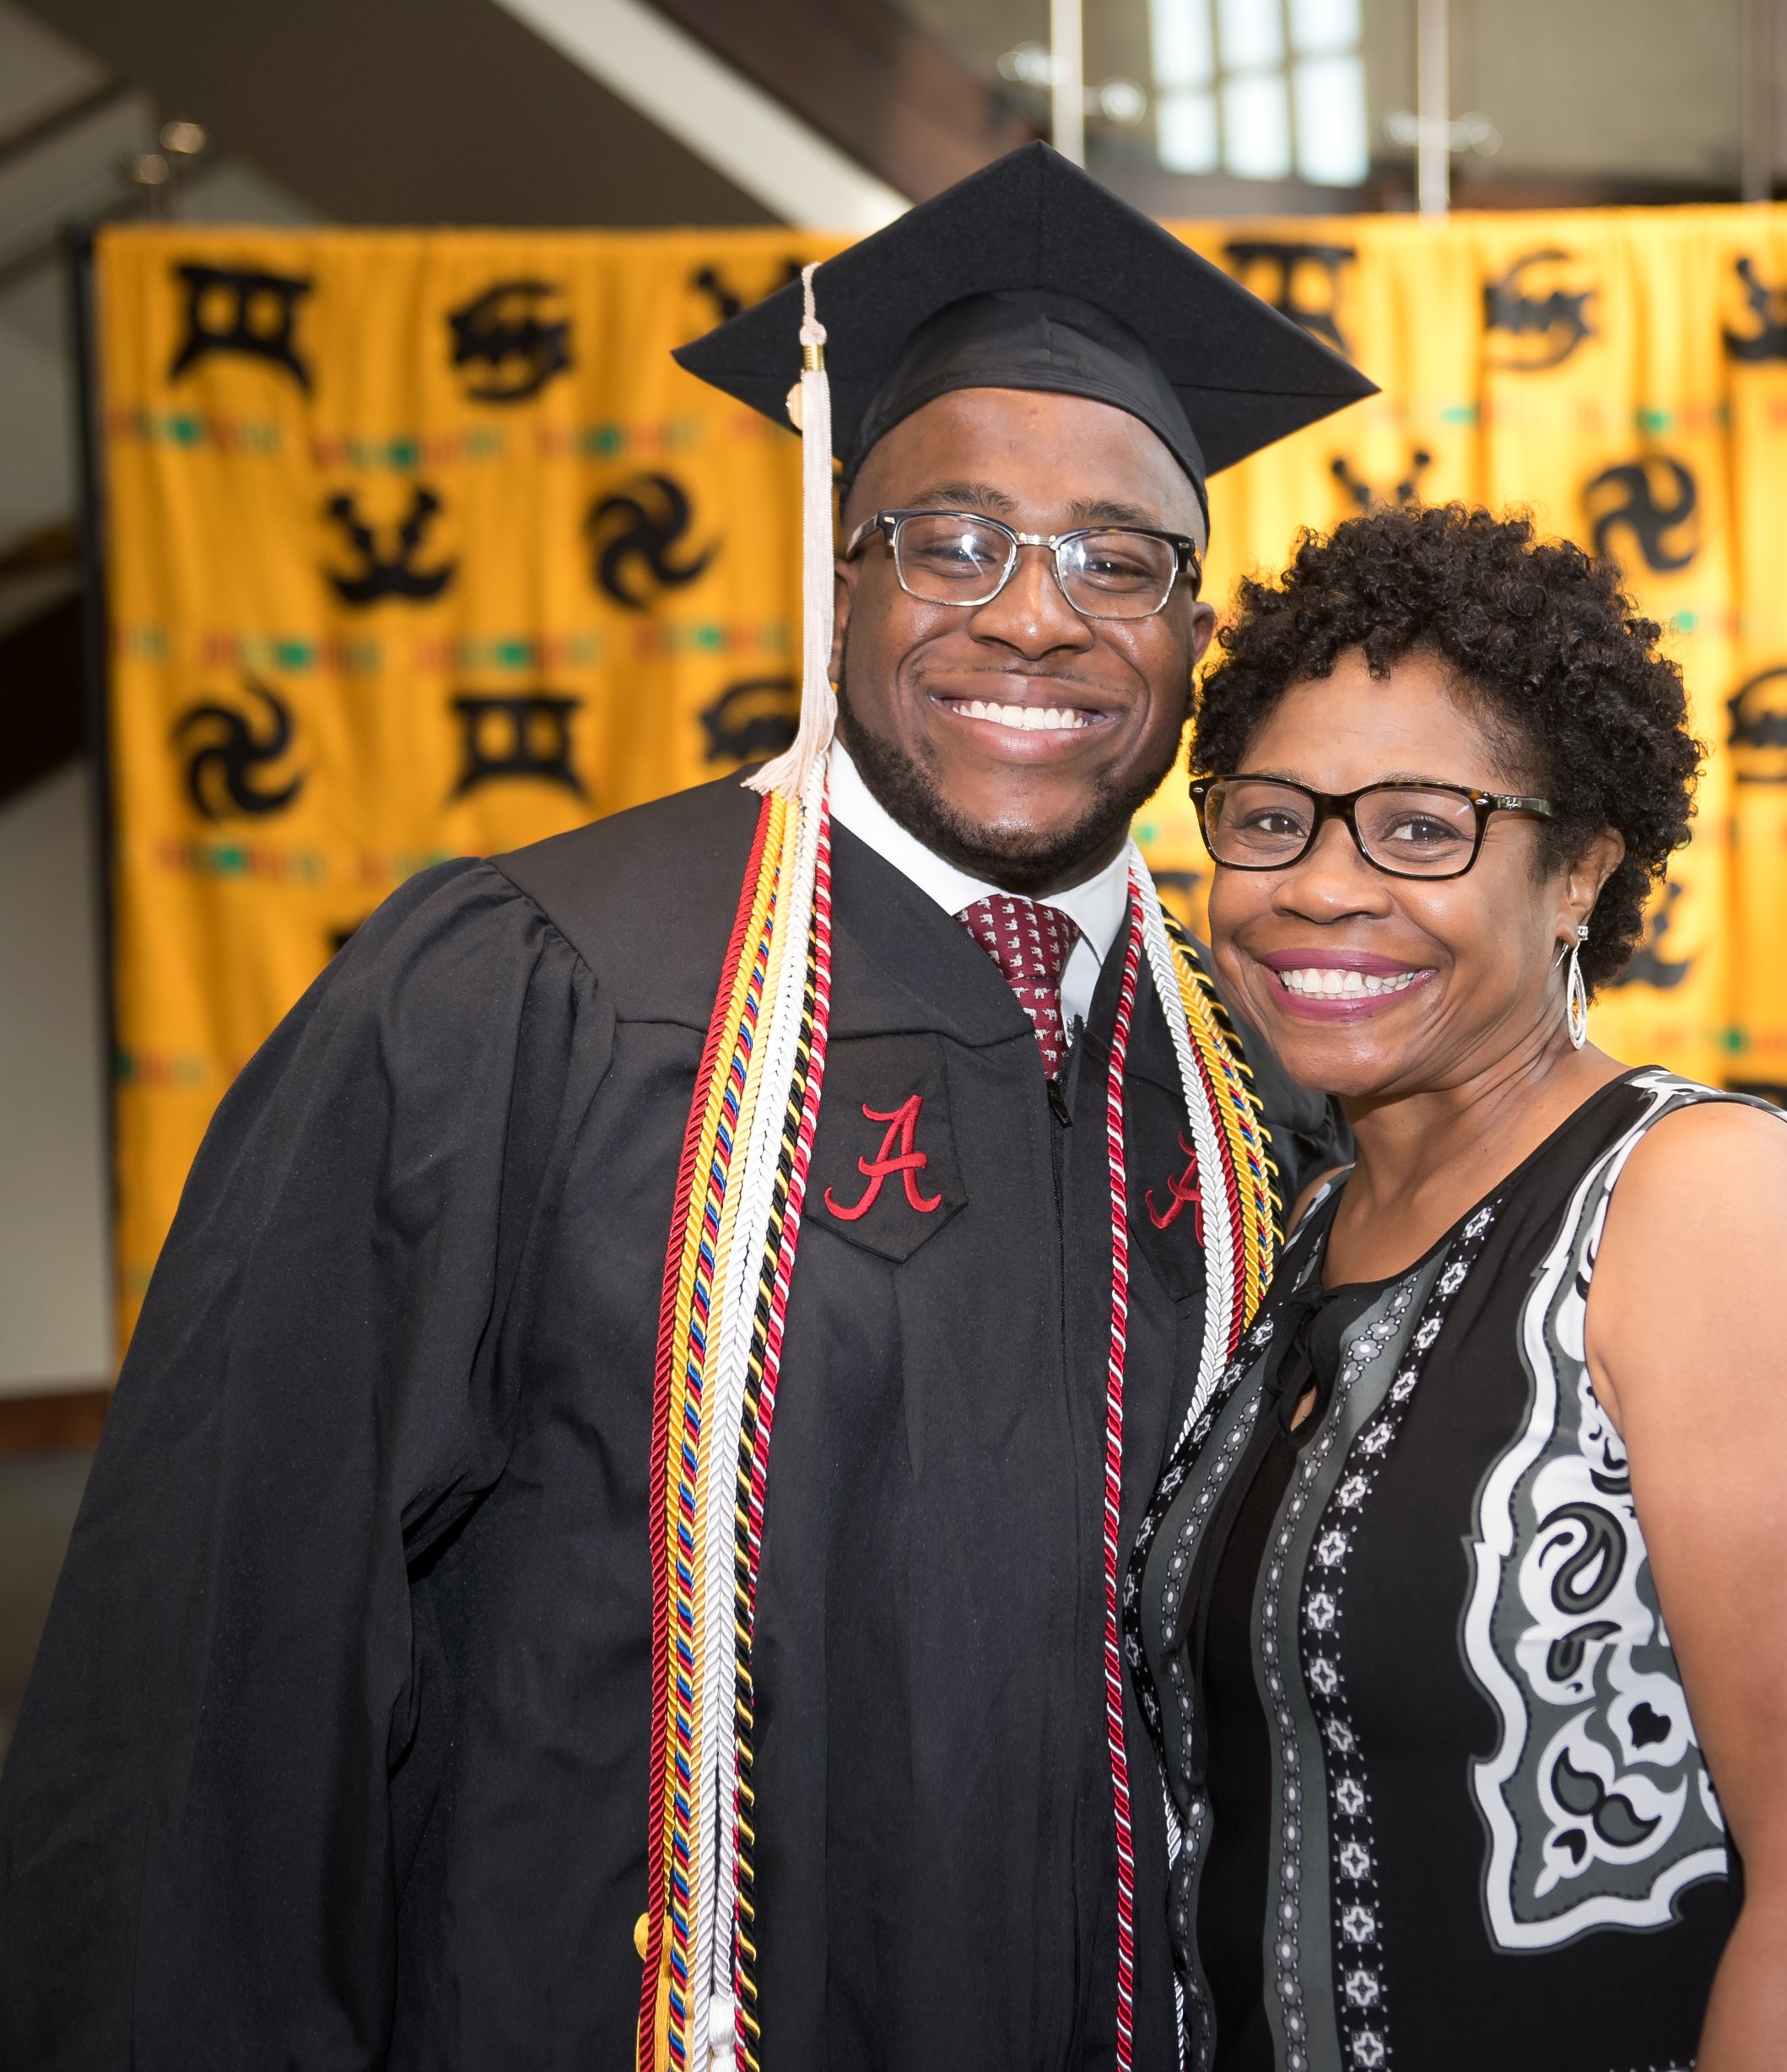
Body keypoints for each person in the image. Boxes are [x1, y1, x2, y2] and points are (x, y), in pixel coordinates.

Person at [0, 146, 1374, 2072]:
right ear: (838, 566)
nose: (1034, 618)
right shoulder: (521, 993)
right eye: (951, 539)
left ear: (1190, 625)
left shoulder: (1249, 1072)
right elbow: (225, 1677)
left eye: (1115, 557)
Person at [1126, 502, 1787, 2072]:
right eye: (1271, 817)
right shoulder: (1293, 1228)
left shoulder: (1698, 1206)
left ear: (1581, 869)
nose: (1318, 885)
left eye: (1423, 828)